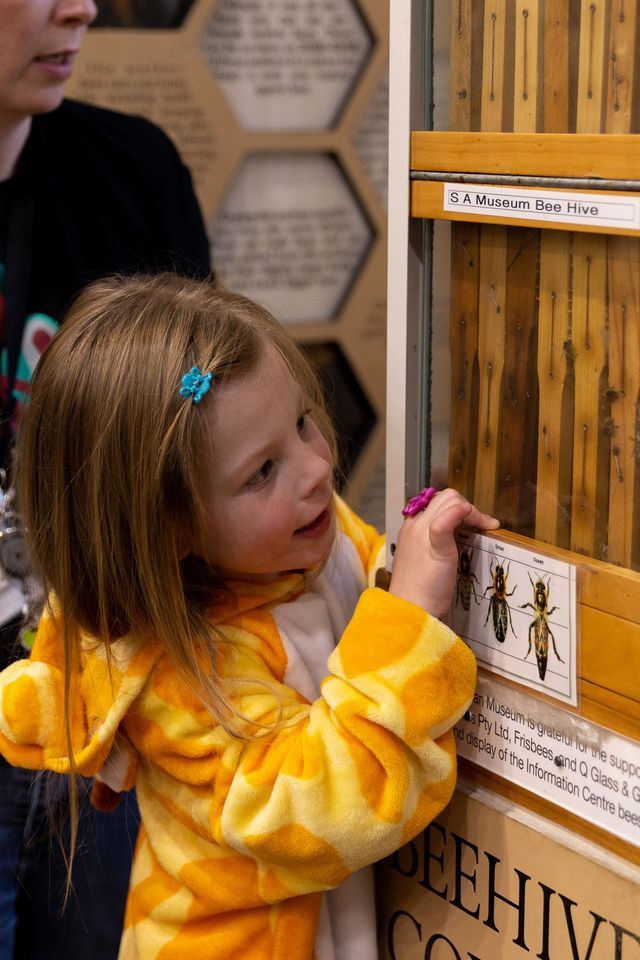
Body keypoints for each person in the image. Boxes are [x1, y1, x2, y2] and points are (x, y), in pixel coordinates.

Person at [0, 272, 499, 960]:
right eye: (262, 471)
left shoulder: (307, 540)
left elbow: (370, 578)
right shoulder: (179, 679)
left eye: (301, 422)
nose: (315, 468)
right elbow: (325, 813)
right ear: (169, 528)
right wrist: (408, 618)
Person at [0, 2, 211, 956]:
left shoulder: (131, 171)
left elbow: (205, 396)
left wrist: (195, 390)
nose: (79, 5)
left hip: (102, 720)